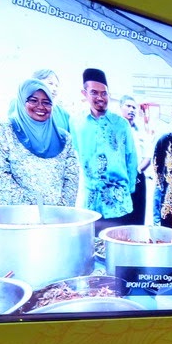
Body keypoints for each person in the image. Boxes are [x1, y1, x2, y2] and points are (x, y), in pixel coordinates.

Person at [0, 77, 79, 207]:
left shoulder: (64, 138)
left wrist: (61, 209)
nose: (41, 107)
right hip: (13, 213)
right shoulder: (3, 129)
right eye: (33, 100)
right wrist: (34, 209)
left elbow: (72, 176)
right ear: (22, 101)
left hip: (55, 214)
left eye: (46, 102)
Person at [71, 68, 137, 234]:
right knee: (88, 242)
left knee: (115, 241)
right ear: (84, 93)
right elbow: (74, 155)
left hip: (117, 200)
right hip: (88, 201)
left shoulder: (121, 124)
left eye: (104, 93)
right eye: (94, 92)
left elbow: (131, 158)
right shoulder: (76, 122)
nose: (100, 98)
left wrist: (129, 190)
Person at [119, 95, 151, 226]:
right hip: (119, 179)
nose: (131, 110)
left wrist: (137, 171)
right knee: (120, 219)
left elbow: (148, 156)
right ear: (120, 107)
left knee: (137, 216)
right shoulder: (114, 129)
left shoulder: (141, 132)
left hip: (138, 177)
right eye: (128, 106)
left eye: (134, 107)